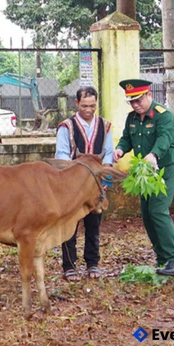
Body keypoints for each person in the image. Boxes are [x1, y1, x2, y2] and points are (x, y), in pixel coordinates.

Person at [114, 79, 174, 276]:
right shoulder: (132, 119)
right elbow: (127, 138)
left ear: (149, 95)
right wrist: (120, 149)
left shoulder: (164, 115)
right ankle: (163, 259)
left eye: (138, 100)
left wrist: (154, 154)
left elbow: (165, 138)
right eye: (131, 101)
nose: (135, 105)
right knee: (147, 215)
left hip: (164, 171)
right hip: (144, 175)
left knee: (158, 210)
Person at [55, 87, 113, 282]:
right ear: (77, 103)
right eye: (85, 105)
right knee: (69, 224)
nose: (89, 109)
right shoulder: (66, 126)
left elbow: (109, 153)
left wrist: (105, 179)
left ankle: (93, 263)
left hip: (95, 186)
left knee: (93, 223)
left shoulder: (105, 126)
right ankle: (69, 265)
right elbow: (62, 155)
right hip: (73, 186)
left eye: (93, 105)